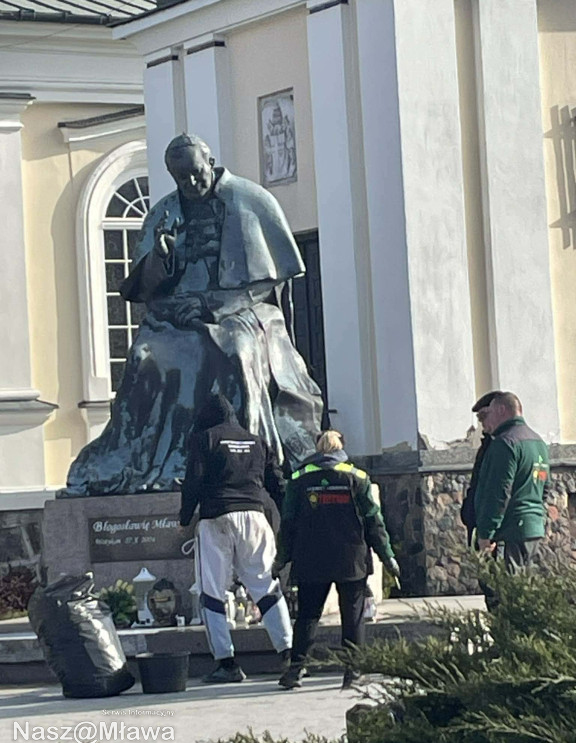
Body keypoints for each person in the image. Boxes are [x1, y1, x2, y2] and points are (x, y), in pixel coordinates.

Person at [60, 133, 322, 497]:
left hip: (240, 309)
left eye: (197, 173)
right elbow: (143, 288)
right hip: (177, 315)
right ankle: (153, 459)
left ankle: (245, 461)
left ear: (210, 163)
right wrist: (161, 257)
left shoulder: (251, 201)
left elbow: (270, 281)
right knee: (144, 355)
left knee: (237, 352)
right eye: (182, 178)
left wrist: (211, 305)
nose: (192, 183)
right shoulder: (164, 212)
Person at [274, 430, 400, 690]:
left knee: (308, 615)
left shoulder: (299, 479)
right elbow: (373, 522)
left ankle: (295, 670)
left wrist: (281, 559)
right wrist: (387, 557)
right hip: (350, 558)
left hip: (310, 558)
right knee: (352, 615)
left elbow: (288, 524)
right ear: (341, 446)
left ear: (318, 449)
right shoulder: (358, 478)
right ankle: (353, 671)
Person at [179, 394, 292, 683]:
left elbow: (193, 480)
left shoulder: (205, 439)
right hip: (255, 516)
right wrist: (287, 516)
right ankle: (289, 654)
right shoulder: (256, 441)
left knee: (212, 593)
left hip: (216, 517)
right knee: (266, 586)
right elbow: (276, 483)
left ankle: (227, 663)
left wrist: (184, 516)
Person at [474, 392, 550, 571]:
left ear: (501, 410)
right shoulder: (538, 442)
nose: (484, 423)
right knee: (525, 590)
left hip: (509, 531)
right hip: (533, 528)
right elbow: (544, 488)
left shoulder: (505, 443)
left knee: (506, 591)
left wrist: (486, 533)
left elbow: (498, 492)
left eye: (488, 414)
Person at [460, 390, 503, 546]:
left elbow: (498, 490)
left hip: (493, 530)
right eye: (479, 418)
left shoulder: (501, 445)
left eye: (484, 417)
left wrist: (489, 531)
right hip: (477, 520)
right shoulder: (487, 444)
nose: (482, 424)